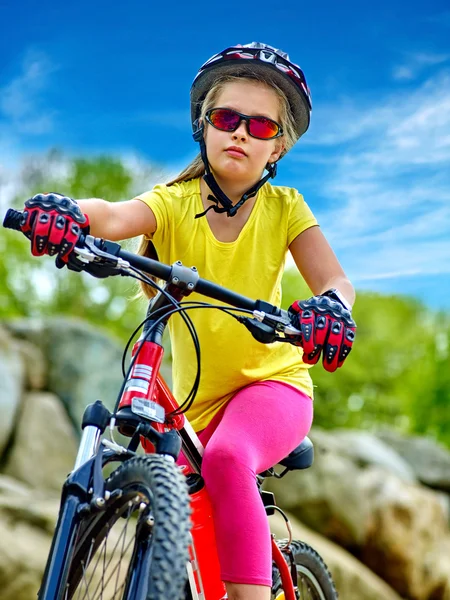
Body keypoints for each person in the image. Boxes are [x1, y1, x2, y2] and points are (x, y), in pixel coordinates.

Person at [19, 42, 356, 600]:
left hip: (272, 386)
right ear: (204, 128)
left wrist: (332, 310)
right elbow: (115, 215)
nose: (242, 133)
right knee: (189, 532)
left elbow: (334, 282)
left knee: (227, 458)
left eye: (261, 126)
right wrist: (71, 213)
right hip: (195, 405)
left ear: (278, 149)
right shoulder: (174, 203)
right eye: (228, 118)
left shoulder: (285, 209)